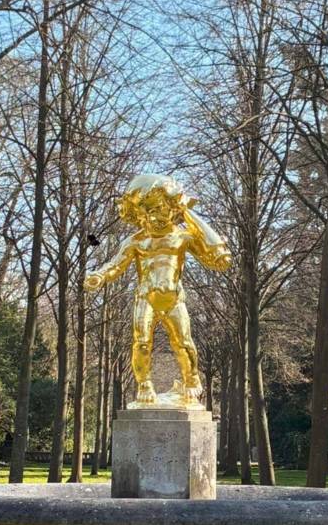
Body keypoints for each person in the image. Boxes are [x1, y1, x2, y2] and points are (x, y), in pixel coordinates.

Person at [84, 173, 231, 407]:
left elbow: (219, 259)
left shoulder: (182, 236)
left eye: (162, 208)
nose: (156, 216)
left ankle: (191, 380)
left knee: (184, 343)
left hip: (174, 298)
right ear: (140, 213)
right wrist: (99, 276)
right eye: (150, 210)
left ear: (173, 208)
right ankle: (144, 385)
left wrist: (188, 213)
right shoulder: (136, 241)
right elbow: (115, 265)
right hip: (146, 298)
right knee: (141, 342)